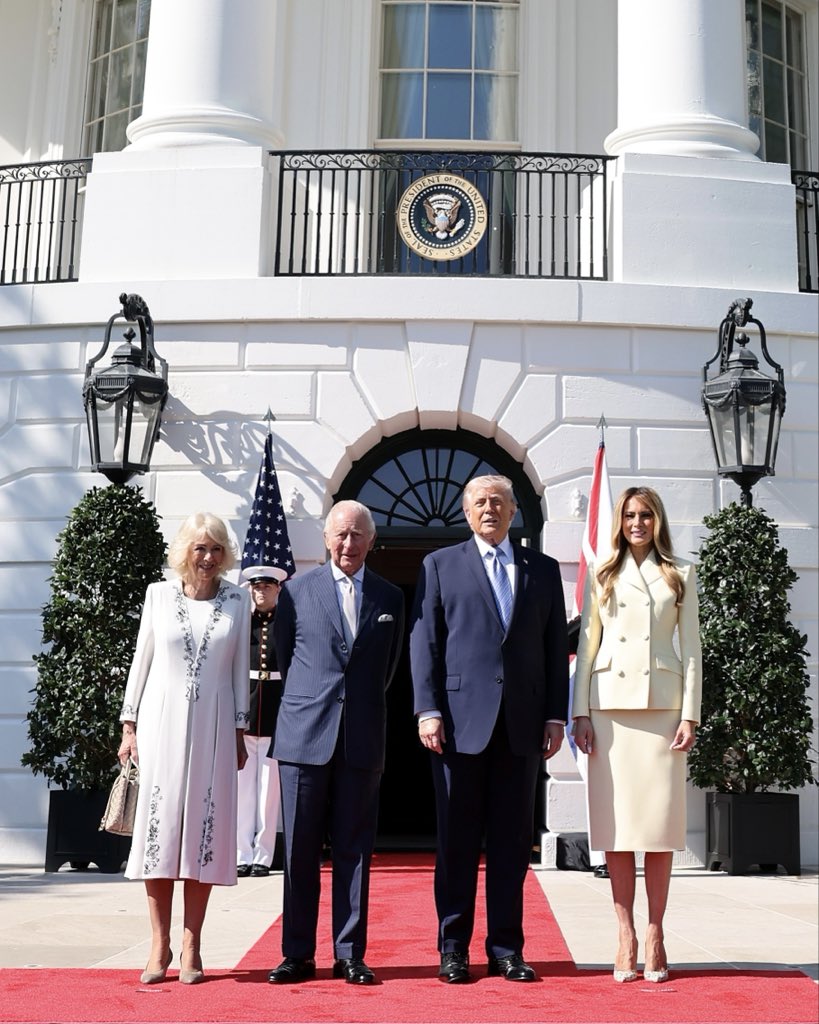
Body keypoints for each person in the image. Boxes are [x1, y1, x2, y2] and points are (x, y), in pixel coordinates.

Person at [409, 475, 569, 984]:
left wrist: (554, 715)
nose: (490, 509)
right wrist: (427, 709)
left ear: (514, 509)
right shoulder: (440, 565)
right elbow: (426, 643)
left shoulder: (542, 570)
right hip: (458, 727)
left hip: (521, 727)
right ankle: (452, 948)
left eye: (499, 501)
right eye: (480, 502)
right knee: (456, 843)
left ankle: (506, 948)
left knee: (511, 844)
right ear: (466, 511)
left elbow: (552, 649)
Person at [268, 500, 404, 986]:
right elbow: (286, 659)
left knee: (355, 851)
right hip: (304, 739)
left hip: (361, 741)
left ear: (372, 541)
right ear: (326, 538)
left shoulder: (390, 598)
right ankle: (297, 954)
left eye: (358, 535)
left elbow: (387, 670)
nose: (349, 544)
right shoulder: (295, 593)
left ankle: (350, 953)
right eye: (341, 535)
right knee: (299, 851)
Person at [571, 486, 701, 984]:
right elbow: (587, 647)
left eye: (646, 514)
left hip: (663, 709)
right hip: (609, 711)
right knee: (618, 827)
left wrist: (691, 714)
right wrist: (579, 710)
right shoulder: (603, 572)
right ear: (620, 521)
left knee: (659, 829)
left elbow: (691, 650)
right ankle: (624, 932)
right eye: (629, 515)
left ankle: (655, 932)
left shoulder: (681, 573)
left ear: (658, 520)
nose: (637, 522)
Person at [118, 513, 250, 986]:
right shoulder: (158, 594)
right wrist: (128, 724)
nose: (209, 557)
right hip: (159, 724)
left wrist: (239, 730)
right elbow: (142, 659)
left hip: (215, 727)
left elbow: (238, 672)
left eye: (216, 549)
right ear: (184, 551)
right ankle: (159, 943)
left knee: (203, 833)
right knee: (160, 830)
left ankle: (192, 943)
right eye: (200, 548)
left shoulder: (237, 600)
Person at [236, 564, 288, 878]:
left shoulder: (286, 623)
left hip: (275, 715)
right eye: (256, 587)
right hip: (246, 714)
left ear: (278, 589)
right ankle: (242, 853)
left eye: (267, 587)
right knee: (243, 791)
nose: (261, 592)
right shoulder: (242, 623)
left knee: (269, 793)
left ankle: (263, 857)